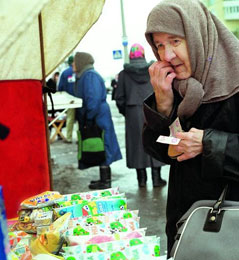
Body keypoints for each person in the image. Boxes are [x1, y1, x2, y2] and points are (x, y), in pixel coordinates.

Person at [142, 0, 239, 257]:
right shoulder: (175, 85)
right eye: (159, 45)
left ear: (198, 35)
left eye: (175, 41)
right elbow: (160, 151)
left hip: (230, 229)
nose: (167, 56)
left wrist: (208, 144)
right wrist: (163, 106)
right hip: (186, 226)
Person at [115, 43, 166, 188]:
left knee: (136, 144)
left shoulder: (124, 74)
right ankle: (157, 179)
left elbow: (119, 98)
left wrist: (127, 113)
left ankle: (141, 180)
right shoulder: (152, 70)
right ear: (143, 54)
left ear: (131, 56)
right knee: (155, 140)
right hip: (153, 110)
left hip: (132, 113)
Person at [72, 52, 122, 190]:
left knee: (103, 145)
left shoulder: (89, 76)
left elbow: (92, 99)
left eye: (75, 62)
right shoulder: (86, 75)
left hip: (97, 117)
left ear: (81, 62)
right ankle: (103, 179)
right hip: (98, 115)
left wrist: (88, 119)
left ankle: (106, 181)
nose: (72, 65)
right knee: (101, 145)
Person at [58, 56, 75, 143]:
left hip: (69, 100)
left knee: (70, 119)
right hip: (80, 99)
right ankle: (80, 139)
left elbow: (60, 88)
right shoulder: (78, 71)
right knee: (80, 120)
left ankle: (69, 138)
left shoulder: (65, 73)